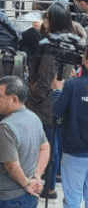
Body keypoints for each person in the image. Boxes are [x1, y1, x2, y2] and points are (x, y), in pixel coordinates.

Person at [27, 3, 86, 200]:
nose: (44, 22)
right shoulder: (71, 41)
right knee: (56, 142)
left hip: (45, 104)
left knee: (50, 144)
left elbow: (45, 80)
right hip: (58, 99)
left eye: (46, 18)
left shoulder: (53, 49)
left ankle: (49, 186)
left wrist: (32, 95)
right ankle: (54, 180)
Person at [0, 76, 50, 208]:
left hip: (6, 201)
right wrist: (37, 175)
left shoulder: (6, 128)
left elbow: (12, 166)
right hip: (22, 198)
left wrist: (28, 184)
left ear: (14, 99)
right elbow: (45, 147)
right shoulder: (33, 117)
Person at [52, 45, 88, 208]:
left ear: (85, 60)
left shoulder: (72, 85)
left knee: (72, 200)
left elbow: (56, 112)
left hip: (75, 153)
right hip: (76, 152)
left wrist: (58, 91)